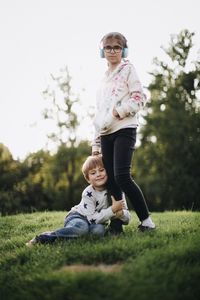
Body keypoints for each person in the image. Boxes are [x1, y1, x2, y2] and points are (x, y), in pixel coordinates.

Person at [92, 32, 155, 234]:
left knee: (122, 176)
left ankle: (147, 222)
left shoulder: (128, 69)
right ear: (102, 51)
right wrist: (96, 143)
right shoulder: (102, 79)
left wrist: (119, 111)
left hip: (125, 128)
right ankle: (117, 223)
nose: (112, 51)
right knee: (111, 179)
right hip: (105, 133)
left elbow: (139, 98)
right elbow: (99, 114)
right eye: (108, 47)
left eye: (117, 47)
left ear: (123, 50)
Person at [26, 155, 130, 246]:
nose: (98, 174)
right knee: (82, 228)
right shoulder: (88, 193)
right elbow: (92, 219)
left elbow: (127, 219)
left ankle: (71, 236)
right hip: (77, 216)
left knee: (98, 231)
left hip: (95, 221)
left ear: (108, 171)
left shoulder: (116, 189)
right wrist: (112, 210)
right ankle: (44, 238)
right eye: (93, 173)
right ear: (88, 179)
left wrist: (121, 214)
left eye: (102, 170)